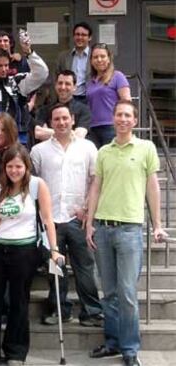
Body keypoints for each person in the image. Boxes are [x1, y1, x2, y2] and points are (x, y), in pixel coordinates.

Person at [86, 100, 168, 366]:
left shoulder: (146, 148)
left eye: (127, 115)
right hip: (103, 228)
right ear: (113, 119)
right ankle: (112, 343)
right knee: (109, 292)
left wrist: (157, 224)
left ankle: (130, 349)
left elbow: (152, 188)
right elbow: (96, 188)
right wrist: (89, 222)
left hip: (130, 230)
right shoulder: (104, 152)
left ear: (134, 120)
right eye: (118, 114)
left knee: (128, 294)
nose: (122, 119)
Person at [0, 144, 63, 365]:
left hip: (24, 250)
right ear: (4, 168)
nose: (14, 171)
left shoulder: (36, 185)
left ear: (26, 166)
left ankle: (16, 352)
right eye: (10, 166)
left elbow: (47, 218)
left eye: (18, 166)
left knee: (18, 301)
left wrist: (54, 249)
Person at [30, 103, 103, 327]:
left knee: (85, 267)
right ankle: (59, 309)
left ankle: (91, 310)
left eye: (65, 118)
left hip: (78, 218)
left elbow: (95, 182)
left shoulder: (88, 147)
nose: (61, 123)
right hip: (50, 220)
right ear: (51, 123)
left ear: (72, 120)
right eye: (56, 119)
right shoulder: (39, 151)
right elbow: (33, 185)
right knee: (55, 269)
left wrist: (88, 209)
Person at [0, 46, 49, 145]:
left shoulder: (17, 82)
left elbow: (42, 74)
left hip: (16, 145)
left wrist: (29, 53)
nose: (4, 69)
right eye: (0, 66)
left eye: (6, 65)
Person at [86, 43, 131, 148]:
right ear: (91, 61)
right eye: (95, 57)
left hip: (111, 127)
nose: (99, 59)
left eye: (102, 56)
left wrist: (122, 123)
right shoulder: (90, 81)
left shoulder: (117, 76)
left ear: (109, 59)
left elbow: (127, 102)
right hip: (92, 129)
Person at [32, 70, 91, 143]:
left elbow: (79, 136)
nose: (63, 87)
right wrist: (70, 133)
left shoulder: (84, 110)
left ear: (74, 87)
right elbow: (39, 133)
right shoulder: (44, 109)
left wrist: (50, 132)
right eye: (60, 83)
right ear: (55, 86)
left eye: (67, 84)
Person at [56, 22, 92, 102]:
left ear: (89, 38)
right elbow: (56, 77)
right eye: (77, 34)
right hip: (68, 98)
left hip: (89, 99)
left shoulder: (95, 56)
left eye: (83, 35)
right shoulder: (63, 56)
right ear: (73, 36)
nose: (80, 37)